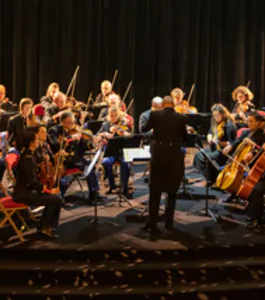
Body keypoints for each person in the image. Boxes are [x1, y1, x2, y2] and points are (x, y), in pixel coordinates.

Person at [142, 96, 188, 232]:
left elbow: (144, 129)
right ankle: (169, 223)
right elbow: (185, 137)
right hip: (174, 156)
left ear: (162, 105)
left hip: (159, 156)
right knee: (171, 192)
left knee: (155, 190)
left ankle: (152, 223)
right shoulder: (180, 118)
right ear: (173, 105)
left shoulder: (154, 115)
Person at [13, 125, 65, 239]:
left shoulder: (30, 154)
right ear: (31, 143)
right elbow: (32, 182)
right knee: (56, 199)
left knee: (57, 197)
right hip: (24, 193)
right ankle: (44, 228)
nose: (38, 141)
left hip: (30, 190)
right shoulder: (27, 158)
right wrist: (47, 191)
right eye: (36, 139)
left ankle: (47, 226)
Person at [48, 111, 102, 202]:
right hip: (62, 161)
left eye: (73, 122)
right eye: (69, 122)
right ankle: (58, 196)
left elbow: (83, 145)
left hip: (76, 159)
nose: (73, 124)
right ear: (62, 122)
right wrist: (70, 139)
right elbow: (55, 145)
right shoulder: (54, 130)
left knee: (90, 165)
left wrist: (93, 144)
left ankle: (94, 193)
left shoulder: (76, 131)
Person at [193, 104, 237, 184]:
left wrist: (220, 142)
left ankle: (212, 178)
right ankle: (205, 176)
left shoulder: (229, 125)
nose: (216, 117)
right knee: (198, 155)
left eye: (218, 115)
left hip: (224, 151)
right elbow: (210, 132)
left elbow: (232, 144)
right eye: (214, 115)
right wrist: (209, 138)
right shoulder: (215, 122)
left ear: (223, 114)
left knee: (208, 158)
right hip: (215, 147)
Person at [97, 106, 133, 196]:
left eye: (115, 115)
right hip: (110, 152)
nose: (113, 117)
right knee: (106, 162)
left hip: (122, 152)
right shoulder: (106, 124)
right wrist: (105, 135)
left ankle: (125, 188)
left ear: (119, 115)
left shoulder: (123, 123)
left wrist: (124, 133)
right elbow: (99, 134)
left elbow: (130, 134)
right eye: (111, 115)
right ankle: (111, 185)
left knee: (125, 164)